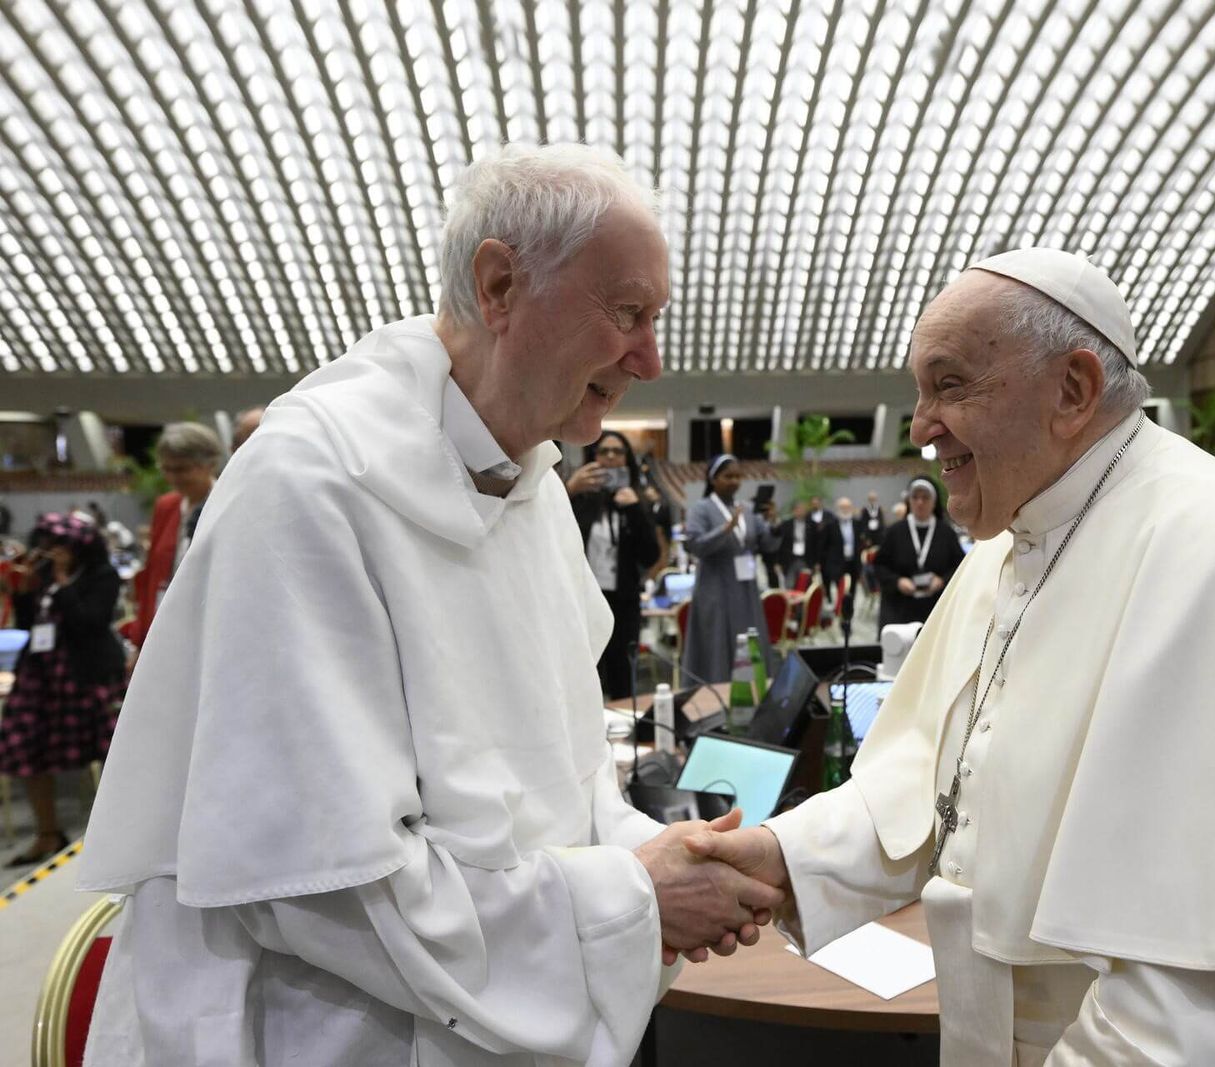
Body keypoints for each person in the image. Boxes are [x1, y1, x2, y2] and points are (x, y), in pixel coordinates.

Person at [685, 248, 1215, 1066]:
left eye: (950, 385)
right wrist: (786, 858)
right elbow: (936, 781)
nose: (921, 425)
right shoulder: (1008, 546)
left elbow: (1214, 998)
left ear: (1072, 391)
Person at [75, 143, 783, 1066]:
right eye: (629, 313)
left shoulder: (532, 491)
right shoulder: (310, 483)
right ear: (499, 285)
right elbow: (321, 890)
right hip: (324, 1028)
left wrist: (667, 850)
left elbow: (569, 781)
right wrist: (636, 896)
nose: (650, 358)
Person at [0, 514, 123, 866]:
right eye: (48, 544)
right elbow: (29, 625)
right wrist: (21, 593)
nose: (52, 551)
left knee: (107, 748)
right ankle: (47, 833)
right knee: (25, 749)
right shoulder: (38, 577)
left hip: (86, 674)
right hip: (41, 675)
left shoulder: (102, 576)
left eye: (60, 545)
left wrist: (64, 582)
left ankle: (118, 828)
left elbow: (91, 622)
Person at [566, 430, 661, 700]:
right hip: (583, 600)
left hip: (624, 601)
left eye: (617, 451)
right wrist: (570, 490)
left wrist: (634, 510)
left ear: (626, 459)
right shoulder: (580, 499)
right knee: (585, 675)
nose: (610, 457)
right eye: (603, 451)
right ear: (593, 456)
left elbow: (650, 555)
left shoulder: (638, 500)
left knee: (622, 675)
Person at [682, 455, 780, 683]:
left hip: (746, 589)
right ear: (713, 479)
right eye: (728, 476)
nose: (734, 481)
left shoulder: (746, 508)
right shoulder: (701, 509)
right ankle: (716, 691)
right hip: (714, 587)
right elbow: (694, 545)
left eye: (737, 476)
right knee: (717, 643)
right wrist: (726, 529)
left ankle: (750, 689)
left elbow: (767, 544)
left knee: (748, 639)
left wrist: (774, 524)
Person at [128, 422, 223, 650]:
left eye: (181, 469)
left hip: (206, 625)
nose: (172, 477)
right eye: (166, 468)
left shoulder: (224, 505)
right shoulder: (166, 506)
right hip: (165, 625)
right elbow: (151, 574)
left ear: (209, 464)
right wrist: (140, 641)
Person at [874, 477, 964, 635]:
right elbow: (879, 565)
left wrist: (942, 580)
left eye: (925, 497)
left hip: (935, 610)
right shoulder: (894, 531)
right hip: (899, 609)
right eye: (915, 497)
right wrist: (897, 581)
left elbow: (960, 566)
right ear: (908, 501)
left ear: (934, 502)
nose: (920, 502)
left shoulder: (946, 533)